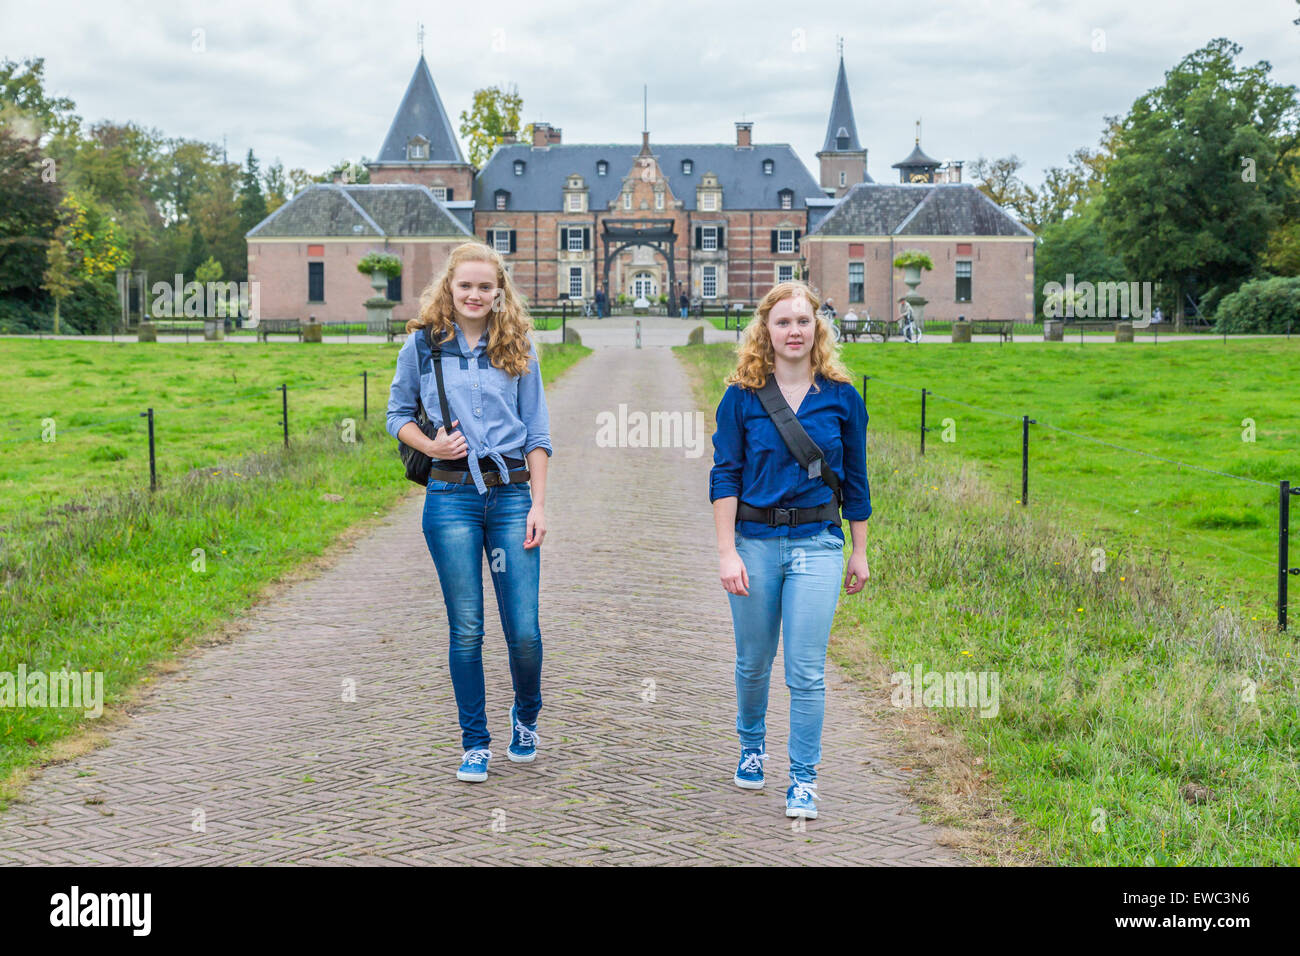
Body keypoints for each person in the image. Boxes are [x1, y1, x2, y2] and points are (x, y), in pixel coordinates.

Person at [386, 241, 552, 782]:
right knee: (467, 629)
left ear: (499, 291)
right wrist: (431, 447)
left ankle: (526, 717)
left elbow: (538, 435)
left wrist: (539, 506)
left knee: (523, 631)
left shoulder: (519, 345)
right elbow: (396, 416)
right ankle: (474, 741)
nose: (475, 295)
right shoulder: (422, 346)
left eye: (486, 287)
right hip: (450, 499)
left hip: (511, 497)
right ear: (449, 289)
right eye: (465, 286)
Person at [709, 280, 872, 820]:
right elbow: (725, 475)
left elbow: (857, 480)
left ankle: (804, 778)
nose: (794, 331)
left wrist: (859, 550)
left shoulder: (842, 398)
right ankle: (751, 747)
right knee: (754, 663)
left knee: (806, 669)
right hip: (754, 542)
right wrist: (726, 550)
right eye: (783, 322)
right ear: (766, 330)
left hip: (817, 543)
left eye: (803, 321)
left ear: (817, 328)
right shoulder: (741, 396)